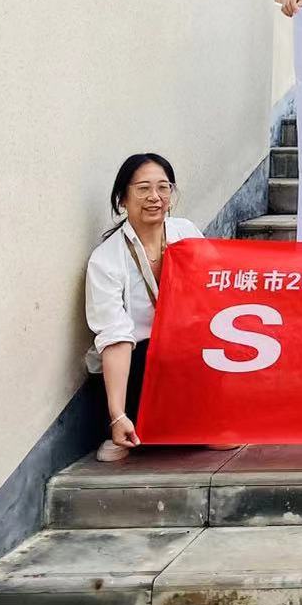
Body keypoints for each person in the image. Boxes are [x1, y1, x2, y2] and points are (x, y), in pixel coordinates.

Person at [84, 153, 202, 461]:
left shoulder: (186, 233)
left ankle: (203, 424)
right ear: (122, 198)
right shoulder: (106, 259)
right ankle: (125, 425)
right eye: (143, 189)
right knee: (150, 357)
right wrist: (117, 415)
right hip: (138, 363)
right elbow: (116, 337)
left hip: (185, 353)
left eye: (163, 187)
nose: (155, 197)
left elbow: (210, 293)